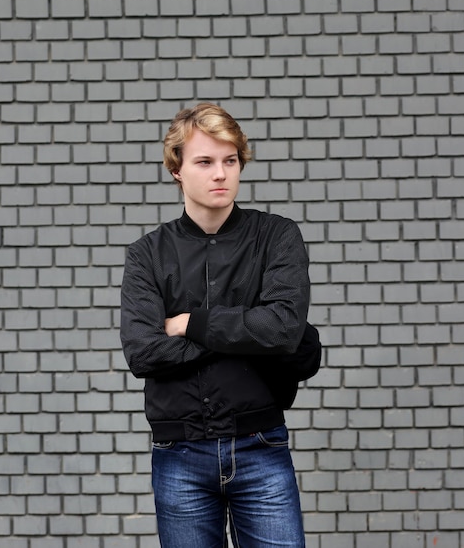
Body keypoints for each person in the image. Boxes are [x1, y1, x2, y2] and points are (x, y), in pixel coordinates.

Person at [120, 102, 321, 547]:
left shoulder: (277, 236)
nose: (220, 174)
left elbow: (285, 329)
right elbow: (143, 352)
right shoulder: (147, 255)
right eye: (205, 162)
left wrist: (190, 323)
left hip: (260, 445)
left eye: (230, 161)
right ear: (177, 170)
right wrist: (250, 328)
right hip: (180, 455)